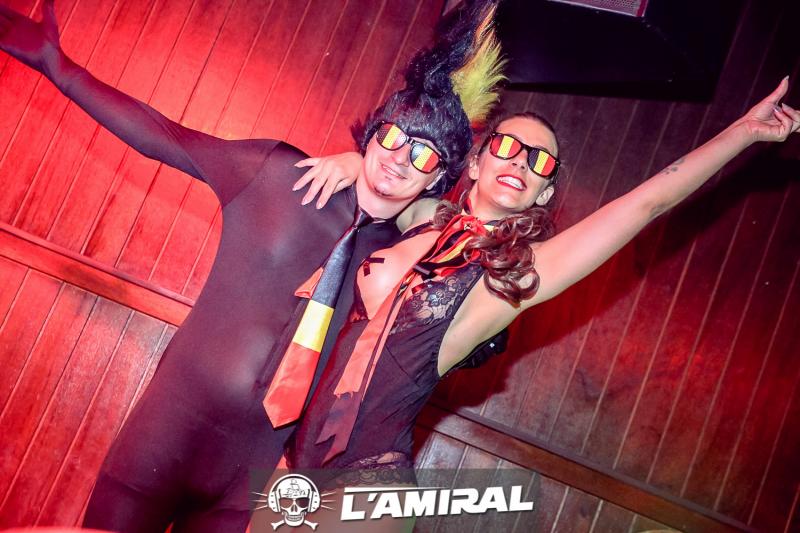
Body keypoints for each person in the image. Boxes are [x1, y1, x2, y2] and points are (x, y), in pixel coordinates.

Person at [0, 0, 506, 531]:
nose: (400, 156)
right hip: (163, 437)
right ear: (373, 134)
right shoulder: (278, 176)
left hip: (251, 481)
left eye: (424, 153)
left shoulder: (398, 266)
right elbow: (162, 136)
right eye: (394, 136)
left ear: (438, 177)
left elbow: (470, 328)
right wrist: (58, 66)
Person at [284, 79, 799, 487]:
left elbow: (647, 203)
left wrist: (744, 132)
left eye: (540, 161)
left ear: (544, 193)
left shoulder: (514, 273)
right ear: (476, 161)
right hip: (295, 460)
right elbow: (380, 176)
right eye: (508, 145)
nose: (520, 161)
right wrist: (354, 160)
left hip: (367, 482)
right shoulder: (419, 216)